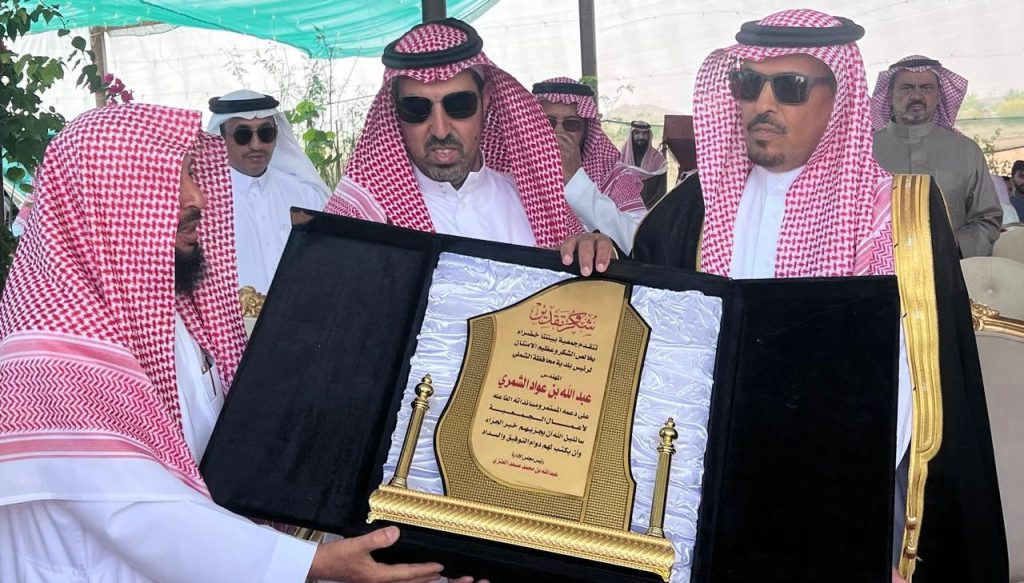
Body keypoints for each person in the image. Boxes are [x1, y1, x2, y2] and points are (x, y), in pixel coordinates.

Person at [563, 9, 1007, 582]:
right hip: (700, 489)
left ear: (839, 97)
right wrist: (596, 258)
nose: (762, 104)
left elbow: (913, 389)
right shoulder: (695, 207)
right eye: (748, 84)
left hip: (839, 494)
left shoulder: (897, 216)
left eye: (790, 87)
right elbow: (645, 334)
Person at [0, 103, 482, 583]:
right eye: (172, 180)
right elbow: (141, 514)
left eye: (193, 175)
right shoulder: (45, 354)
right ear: (107, 199)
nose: (198, 198)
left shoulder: (167, 316)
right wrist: (314, 564)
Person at [325, 18, 606, 254]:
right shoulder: (361, 219)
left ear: (486, 100)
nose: (440, 130)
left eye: (459, 105)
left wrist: (592, 252)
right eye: (416, 108)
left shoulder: (539, 203)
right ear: (396, 111)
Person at [871, 56, 1002, 257]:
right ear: (889, 95)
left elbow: (988, 218)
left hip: (952, 267)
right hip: (878, 268)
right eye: (906, 88)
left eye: (926, 88)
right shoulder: (863, 149)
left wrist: (950, 245)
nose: (916, 95)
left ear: (939, 96)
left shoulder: (967, 151)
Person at [208, 90, 330, 293]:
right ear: (220, 139)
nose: (256, 145)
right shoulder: (203, 203)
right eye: (243, 136)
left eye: (266, 134)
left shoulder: (305, 194)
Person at [532, 77, 647, 251]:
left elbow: (640, 242)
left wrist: (575, 179)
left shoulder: (614, 175)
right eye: (548, 122)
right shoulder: (510, 173)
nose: (558, 133)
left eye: (571, 124)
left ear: (586, 130)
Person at [620, 120, 668, 207]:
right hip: (625, 208)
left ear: (649, 135)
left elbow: (661, 192)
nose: (641, 137)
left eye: (645, 133)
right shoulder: (621, 158)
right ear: (631, 135)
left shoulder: (658, 159)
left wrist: (647, 209)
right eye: (637, 133)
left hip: (650, 210)